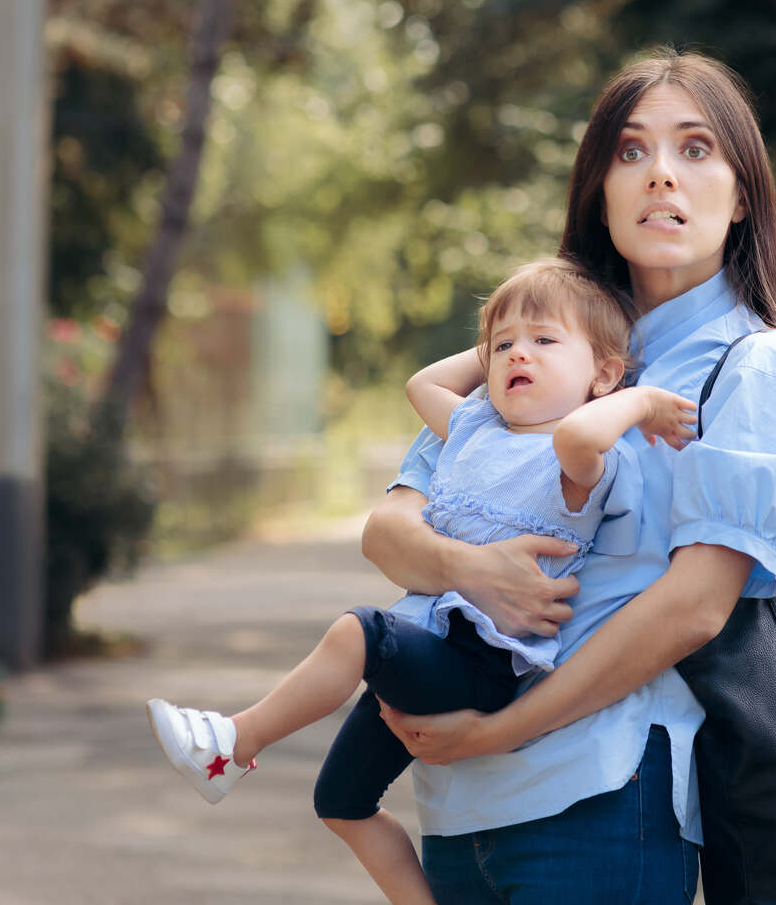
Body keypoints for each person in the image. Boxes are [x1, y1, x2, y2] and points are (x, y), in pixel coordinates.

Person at [359, 46, 776, 902]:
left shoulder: (756, 364)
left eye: (695, 150)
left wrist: (501, 730)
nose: (661, 176)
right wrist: (473, 569)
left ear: (741, 199)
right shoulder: (544, 341)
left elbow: (693, 605)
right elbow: (392, 529)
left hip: (600, 793)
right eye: (630, 152)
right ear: (600, 192)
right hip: (458, 807)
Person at [144, 258, 699, 904]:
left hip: (482, 660)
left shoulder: (582, 460)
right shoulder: (474, 428)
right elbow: (419, 383)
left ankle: (236, 741)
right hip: (433, 643)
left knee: (361, 632)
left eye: (546, 341)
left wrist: (642, 400)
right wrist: (508, 335)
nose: (520, 353)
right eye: (504, 347)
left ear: (602, 373)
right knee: (340, 802)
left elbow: (582, 429)